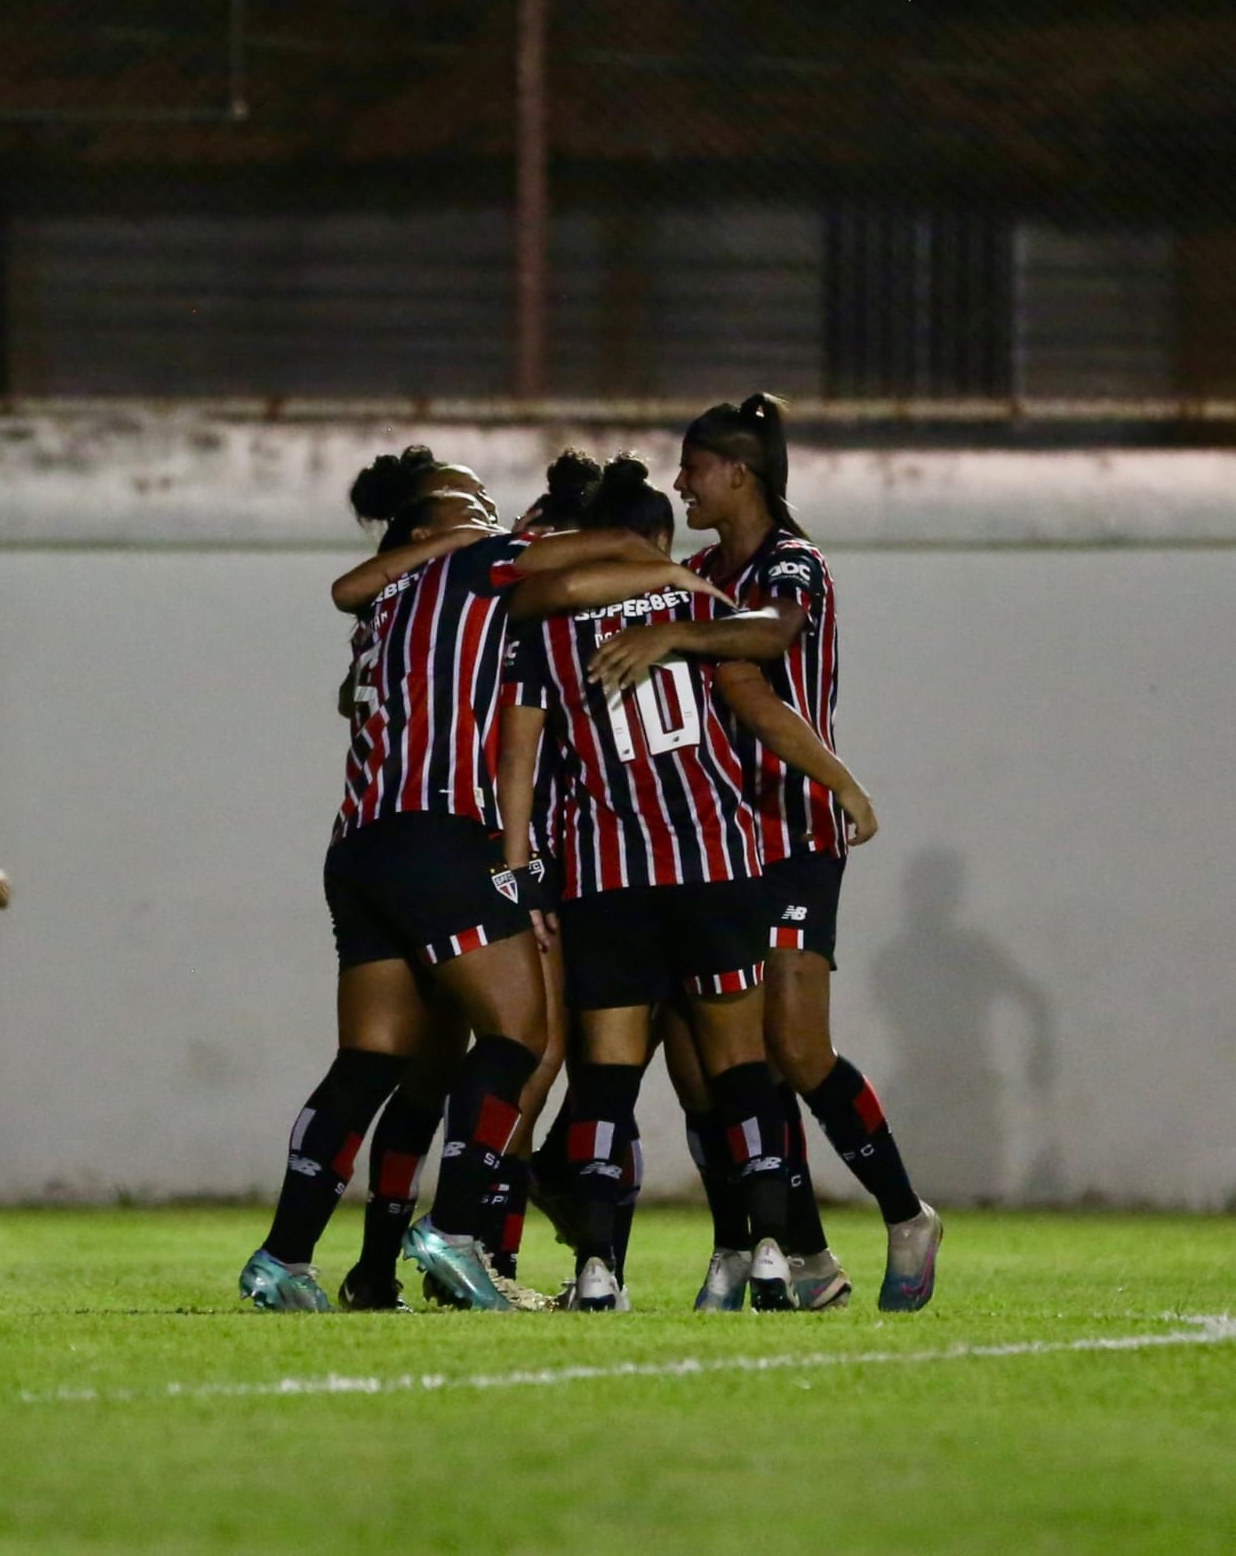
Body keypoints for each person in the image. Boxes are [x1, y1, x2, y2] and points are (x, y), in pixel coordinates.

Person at [238, 446, 687, 1313]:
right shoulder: (476, 565)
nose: (486, 507)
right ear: (429, 526)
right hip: (441, 836)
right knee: (519, 1038)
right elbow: (627, 554)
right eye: (467, 499)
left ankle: (284, 1256)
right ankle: (452, 1231)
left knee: (370, 1061)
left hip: (360, 844)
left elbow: (353, 621)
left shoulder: (384, 606)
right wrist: (676, 591)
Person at [588, 394, 941, 1313]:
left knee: (790, 1043)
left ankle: (904, 1213)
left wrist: (669, 633)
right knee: (716, 1061)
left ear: (737, 473)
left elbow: (770, 636)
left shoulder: (794, 564)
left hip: (792, 833)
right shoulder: (701, 567)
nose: (680, 484)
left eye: (693, 468)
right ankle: (803, 1254)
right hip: (713, 843)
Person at [501, 453, 860, 1312]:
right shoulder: (699, 605)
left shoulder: (545, 627)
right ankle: (771, 1254)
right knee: (741, 1071)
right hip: (714, 862)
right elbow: (757, 703)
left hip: (606, 873)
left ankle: (595, 1272)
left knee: (605, 1082)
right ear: (656, 539)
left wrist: (519, 870)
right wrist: (840, 782)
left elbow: (519, 744)